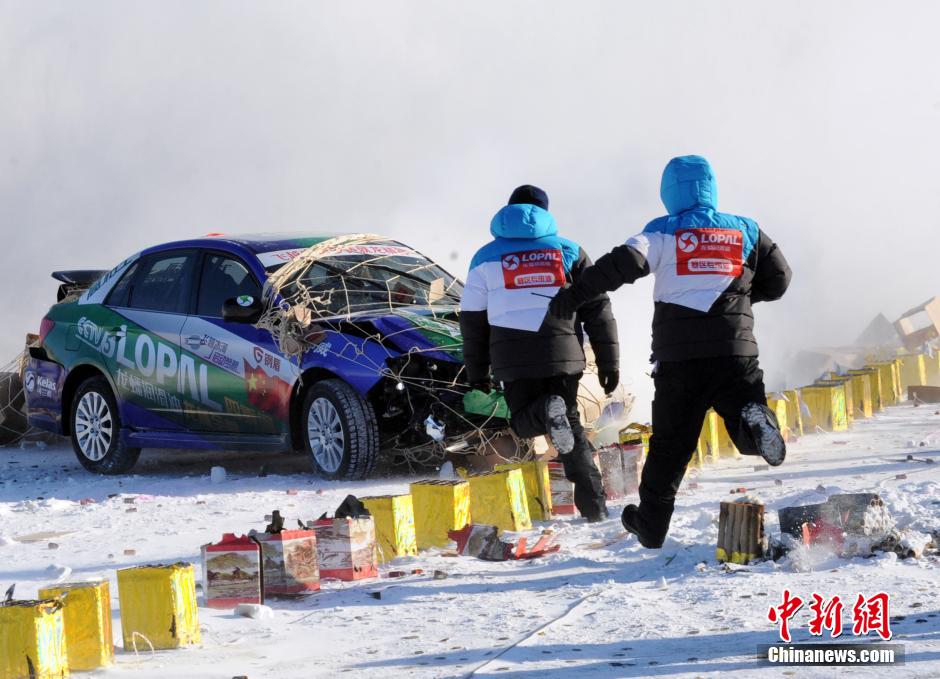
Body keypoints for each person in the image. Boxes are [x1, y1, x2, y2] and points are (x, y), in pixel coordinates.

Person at [549, 156, 792, 547]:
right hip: (735, 351)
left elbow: (621, 264)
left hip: (679, 360)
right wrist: (743, 299)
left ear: (668, 193)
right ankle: (756, 422)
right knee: (745, 415)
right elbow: (780, 278)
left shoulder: (662, 231)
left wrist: (574, 295)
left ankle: (651, 525)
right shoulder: (746, 229)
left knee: (670, 448)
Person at [460, 185, 619, 522]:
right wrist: (609, 362)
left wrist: (478, 373)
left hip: (513, 358)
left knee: (523, 422)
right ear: (546, 212)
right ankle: (595, 507)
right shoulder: (570, 250)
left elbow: (473, 321)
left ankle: (547, 410)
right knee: (570, 427)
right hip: (563, 354)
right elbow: (598, 309)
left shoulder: (484, 258)